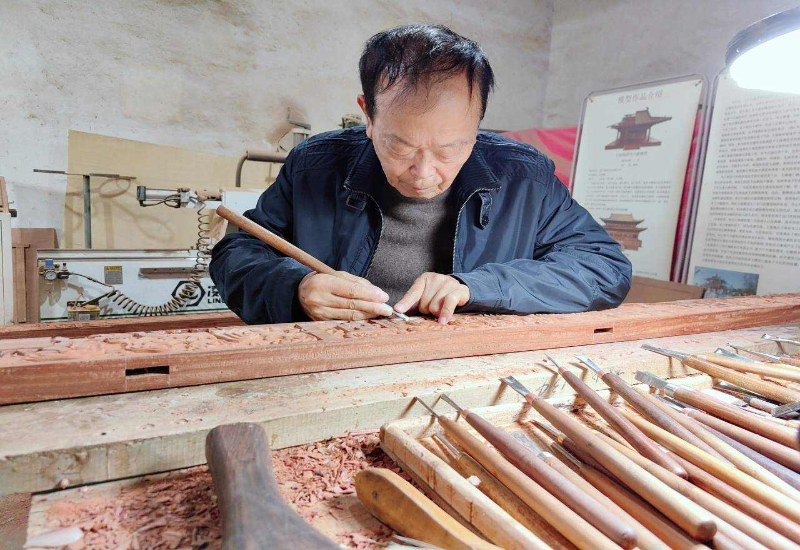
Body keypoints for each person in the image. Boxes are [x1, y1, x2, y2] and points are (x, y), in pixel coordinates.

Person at [210, 24, 631, 325]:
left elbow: (605, 268)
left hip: (462, 368)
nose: (424, 174)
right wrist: (296, 289)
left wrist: (479, 286)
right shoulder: (314, 166)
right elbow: (236, 255)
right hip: (333, 362)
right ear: (367, 115)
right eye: (400, 146)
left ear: (478, 122)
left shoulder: (525, 177)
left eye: (451, 149)